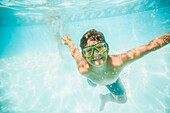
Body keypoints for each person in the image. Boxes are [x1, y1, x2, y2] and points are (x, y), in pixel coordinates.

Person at [61, 29, 169, 111]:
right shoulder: (83, 68)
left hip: (112, 80)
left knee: (123, 100)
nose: (96, 54)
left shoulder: (118, 62)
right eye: (89, 50)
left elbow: (150, 46)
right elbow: (75, 53)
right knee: (92, 84)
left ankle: (105, 98)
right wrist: (69, 42)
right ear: (84, 55)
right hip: (92, 80)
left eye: (100, 47)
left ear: (107, 49)